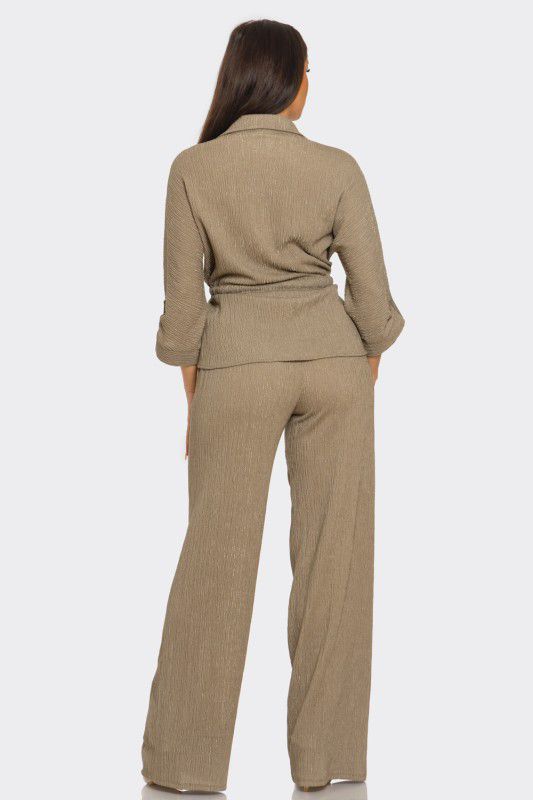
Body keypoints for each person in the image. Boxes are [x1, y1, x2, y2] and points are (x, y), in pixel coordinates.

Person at [142, 18, 404, 794]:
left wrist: (197, 397)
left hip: (236, 365)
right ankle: (329, 767)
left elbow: (183, 317)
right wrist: (357, 371)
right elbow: (373, 304)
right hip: (334, 364)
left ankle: (185, 770)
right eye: (306, 73)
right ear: (288, 82)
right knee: (335, 566)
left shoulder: (192, 168)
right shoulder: (336, 167)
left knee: (215, 563)